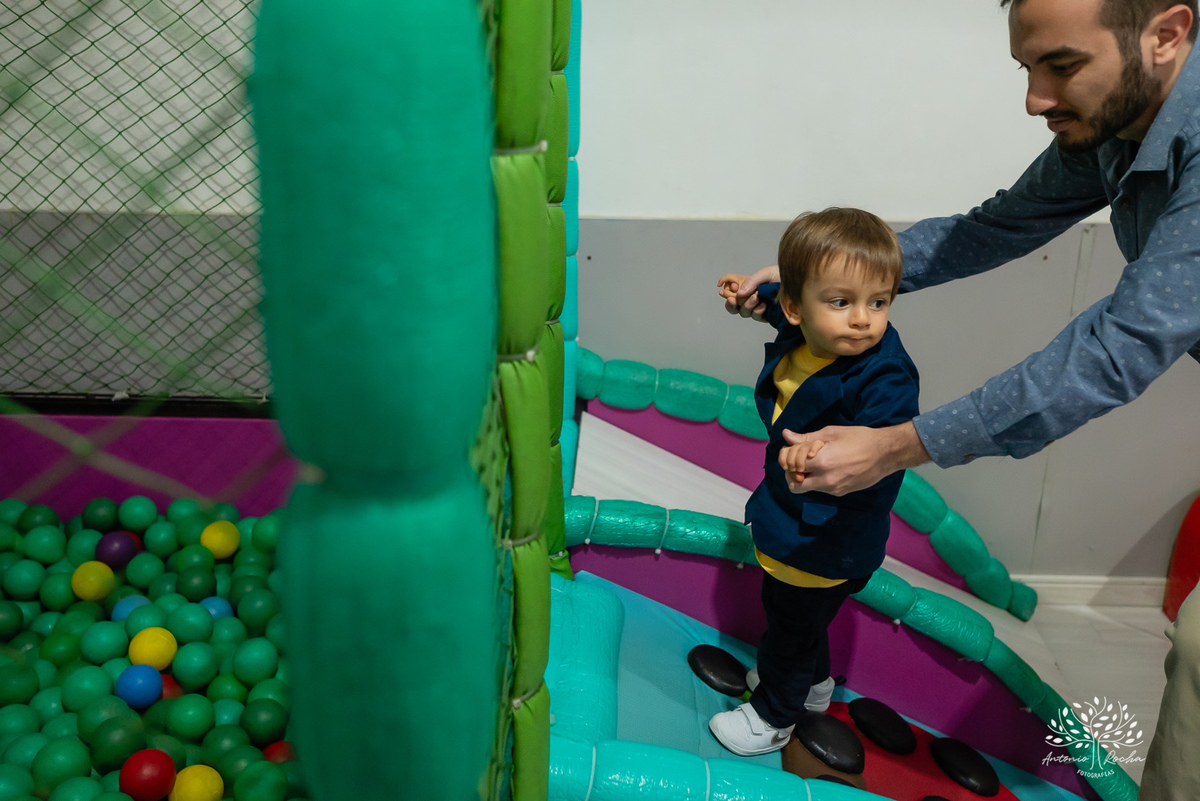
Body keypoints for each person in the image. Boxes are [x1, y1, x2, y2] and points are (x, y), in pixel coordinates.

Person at [726, 0, 1199, 796]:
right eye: (1027, 68)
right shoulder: (1120, 126)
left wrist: (896, 443)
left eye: (1062, 66)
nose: (1034, 99)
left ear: (1166, 33)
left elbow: (1117, 346)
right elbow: (992, 227)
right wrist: (827, 275)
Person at [707, 208, 920, 756]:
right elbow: (779, 312)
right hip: (792, 516)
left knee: (789, 627)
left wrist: (825, 448)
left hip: (825, 535)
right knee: (803, 618)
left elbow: (881, 440)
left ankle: (774, 718)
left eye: (879, 302)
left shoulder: (885, 374)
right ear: (796, 308)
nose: (862, 320)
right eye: (841, 302)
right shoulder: (803, 330)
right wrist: (750, 300)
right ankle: (815, 687)